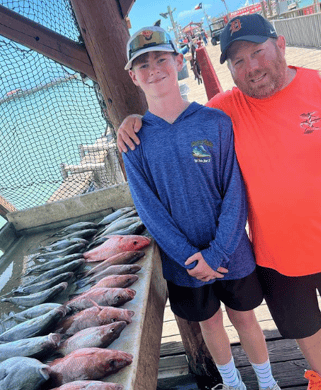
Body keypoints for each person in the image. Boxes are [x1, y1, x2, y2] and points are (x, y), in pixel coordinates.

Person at [117, 14, 321, 389]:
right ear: (133, 76)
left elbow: (233, 190)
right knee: (227, 323)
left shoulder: (220, 117)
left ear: (180, 61)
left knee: (246, 318)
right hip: (212, 261)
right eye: (142, 64)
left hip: (234, 252)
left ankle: (268, 380)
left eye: (161, 58)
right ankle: (239, 382)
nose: (153, 69)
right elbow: (147, 205)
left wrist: (218, 251)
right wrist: (187, 256)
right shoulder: (146, 137)